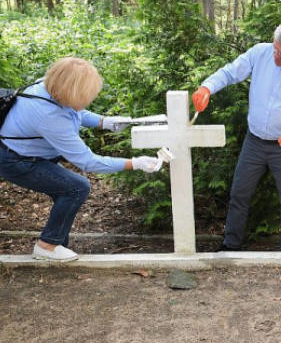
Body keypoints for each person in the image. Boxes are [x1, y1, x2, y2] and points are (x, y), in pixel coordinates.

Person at [0, 57, 163, 262]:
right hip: (18, 162)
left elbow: (75, 111)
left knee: (65, 190)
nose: (89, 100)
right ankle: (47, 247)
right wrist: (135, 163)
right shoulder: (49, 117)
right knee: (76, 187)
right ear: (71, 92)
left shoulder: (50, 86)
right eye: (87, 96)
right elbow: (88, 162)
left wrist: (105, 122)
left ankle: (57, 243)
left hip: (32, 154)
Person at [192, 20, 281, 252]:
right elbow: (229, 73)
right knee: (239, 195)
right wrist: (207, 87)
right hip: (254, 142)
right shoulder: (260, 53)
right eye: (275, 48)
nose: (275, 56)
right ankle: (231, 246)